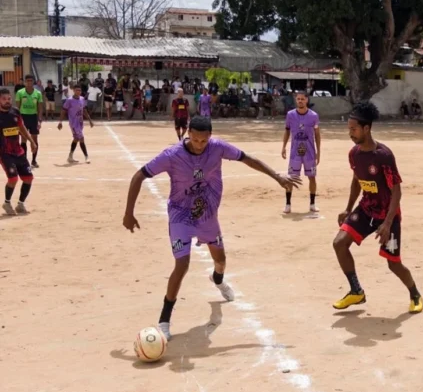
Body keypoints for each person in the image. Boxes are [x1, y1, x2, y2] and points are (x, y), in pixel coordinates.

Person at [122, 116, 302, 340]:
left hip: (207, 214)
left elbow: (247, 158)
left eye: (204, 141)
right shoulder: (172, 155)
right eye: (195, 140)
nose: (199, 145)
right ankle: (164, 320)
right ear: (188, 134)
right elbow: (139, 175)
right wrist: (129, 212)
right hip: (181, 215)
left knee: (221, 260)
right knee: (182, 264)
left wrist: (276, 176)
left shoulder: (217, 148)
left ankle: (217, 280)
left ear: (210, 137)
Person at [332, 101, 423, 314]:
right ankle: (356, 291)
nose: (350, 133)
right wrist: (347, 209)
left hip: (387, 215)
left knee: (393, 263)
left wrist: (387, 223)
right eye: (349, 129)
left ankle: (415, 294)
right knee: (339, 243)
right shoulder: (354, 154)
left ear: (367, 128)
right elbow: (357, 181)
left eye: (354, 129)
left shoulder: (384, 155)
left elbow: (397, 191)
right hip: (366, 209)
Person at [281, 90, 321, 214]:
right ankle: (288, 204)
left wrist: (318, 151)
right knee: (291, 178)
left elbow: (317, 134)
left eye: (302, 99)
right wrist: (283, 146)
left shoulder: (314, 116)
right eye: (298, 99)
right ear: (296, 100)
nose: (300, 101)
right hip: (295, 152)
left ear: (307, 100)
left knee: (312, 177)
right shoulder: (290, 115)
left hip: (309, 152)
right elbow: (287, 130)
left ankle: (312, 203)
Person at [0, 88, 36, 215]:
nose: (7, 101)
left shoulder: (15, 111)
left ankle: (20, 205)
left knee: (28, 178)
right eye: (4, 99)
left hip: (19, 151)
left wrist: (31, 141)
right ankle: (7, 203)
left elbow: (21, 127)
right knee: (13, 178)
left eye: (9, 99)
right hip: (5, 153)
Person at [58, 85, 94, 164]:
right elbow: (63, 111)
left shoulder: (82, 99)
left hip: (80, 122)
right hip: (73, 123)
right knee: (81, 138)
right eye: (77, 90)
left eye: (79, 90)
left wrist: (90, 120)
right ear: (74, 90)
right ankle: (86, 157)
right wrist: (60, 122)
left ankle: (70, 156)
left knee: (76, 139)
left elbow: (84, 110)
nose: (78, 92)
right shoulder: (69, 100)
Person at [14, 75, 43, 168]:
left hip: (33, 117)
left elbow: (40, 108)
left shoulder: (38, 93)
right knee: (23, 139)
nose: (29, 82)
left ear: (33, 82)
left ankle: (34, 160)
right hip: (23, 117)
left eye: (31, 80)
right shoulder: (20, 92)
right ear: (25, 82)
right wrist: (16, 120)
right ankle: (24, 161)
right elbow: (17, 108)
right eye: (27, 81)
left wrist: (39, 120)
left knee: (34, 139)